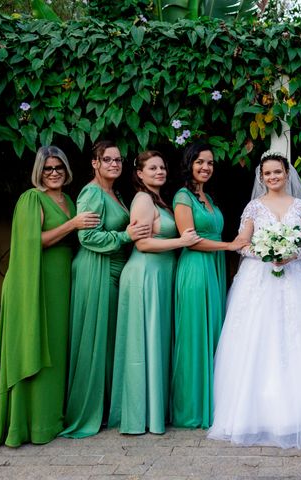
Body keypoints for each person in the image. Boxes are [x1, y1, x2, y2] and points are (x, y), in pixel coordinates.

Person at [208, 152, 301, 448]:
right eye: (268, 173)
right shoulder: (253, 207)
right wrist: (266, 254)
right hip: (259, 278)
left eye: (278, 172)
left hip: (297, 277)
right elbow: (241, 244)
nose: (273, 177)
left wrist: (291, 254)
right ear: (261, 177)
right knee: (259, 339)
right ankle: (255, 414)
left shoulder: (300, 206)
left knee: (300, 339)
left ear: (287, 174)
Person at [0, 146, 100, 448]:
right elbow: (32, 242)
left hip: (61, 284)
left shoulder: (69, 200)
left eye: (59, 167)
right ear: (39, 172)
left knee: (56, 350)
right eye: (48, 168)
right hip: (34, 284)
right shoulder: (31, 199)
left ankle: (51, 419)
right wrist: (72, 224)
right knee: (36, 344)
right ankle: (30, 424)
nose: (54, 173)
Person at [62, 141, 150, 439]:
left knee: (108, 341)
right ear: (95, 163)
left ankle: (104, 406)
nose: (114, 164)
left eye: (118, 159)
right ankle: (86, 411)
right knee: (93, 341)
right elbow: (88, 238)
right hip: (94, 269)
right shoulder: (91, 193)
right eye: (107, 159)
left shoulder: (117, 194)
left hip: (113, 270)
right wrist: (125, 235)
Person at [108, 151, 201, 435]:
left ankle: (155, 409)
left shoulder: (158, 199)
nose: (159, 171)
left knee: (155, 343)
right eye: (152, 168)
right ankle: (140, 415)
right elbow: (143, 244)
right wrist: (181, 241)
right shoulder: (143, 200)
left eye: (162, 167)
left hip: (160, 276)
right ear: (139, 173)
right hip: (145, 276)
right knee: (142, 344)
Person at [171, 142, 248, 428]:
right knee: (194, 337)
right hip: (195, 268)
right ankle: (191, 408)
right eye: (200, 162)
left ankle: (213, 404)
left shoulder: (208, 197)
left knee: (214, 334)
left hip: (214, 269)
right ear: (189, 163)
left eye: (210, 163)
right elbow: (190, 238)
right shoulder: (183, 197)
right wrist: (229, 245)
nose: (206, 167)